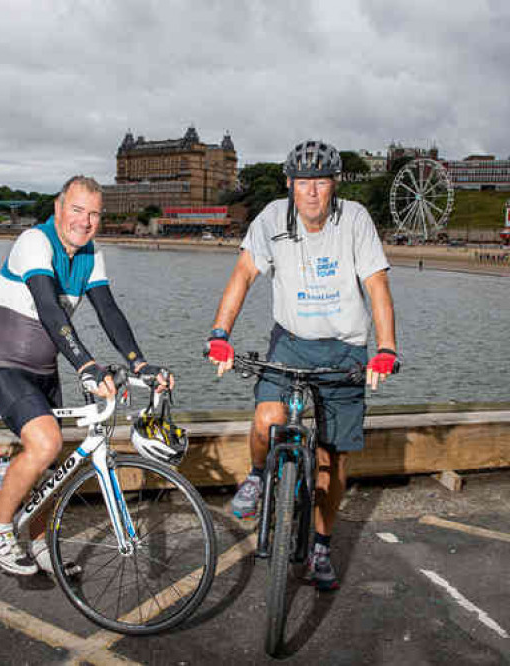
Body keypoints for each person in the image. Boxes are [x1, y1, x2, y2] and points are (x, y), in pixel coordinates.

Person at [205, 140, 398, 591]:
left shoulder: (354, 221)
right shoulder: (272, 218)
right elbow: (243, 274)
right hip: (289, 342)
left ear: (334, 185)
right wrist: (220, 334)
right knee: (266, 420)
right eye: (303, 182)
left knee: (331, 459)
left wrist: (385, 348)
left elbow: (377, 285)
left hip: (346, 347)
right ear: (290, 184)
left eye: (321, 182)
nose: (312, 192)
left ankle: (320, 548)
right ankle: (256, 477)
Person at [0, 175, 172, 575]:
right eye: (78, 210)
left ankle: (36, 539)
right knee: (46, 443)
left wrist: (139, 363)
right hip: (4, 365)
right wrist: (85, 364)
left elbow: (109, 311)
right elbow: (49, 308)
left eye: (95, 214)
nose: (85, 221)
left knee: (52, 465)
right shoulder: (35, 242)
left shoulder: (90, 254)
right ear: (59, 208)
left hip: (45, 370)